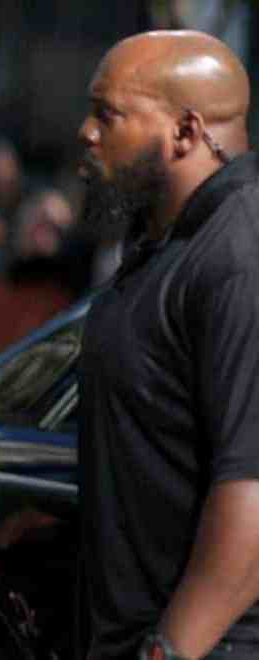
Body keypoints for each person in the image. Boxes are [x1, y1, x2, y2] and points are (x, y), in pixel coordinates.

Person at [76, 30, 258, 659]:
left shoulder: (241, 257)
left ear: (185, 131)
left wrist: (170, 650)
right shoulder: (164, 243)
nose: (86, 132)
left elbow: (252, 494)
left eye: (108, 114)